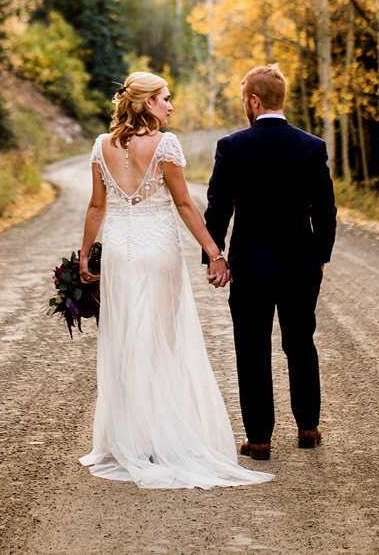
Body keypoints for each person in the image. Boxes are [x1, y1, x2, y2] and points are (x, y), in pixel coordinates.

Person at [76, 71, 272, 489]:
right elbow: (184, 204)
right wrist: (216, 253)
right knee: (161, 340)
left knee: (127, 339)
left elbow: (97, 205)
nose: (170, 105)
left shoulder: (102, 146)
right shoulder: (165, 144)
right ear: (147, 103)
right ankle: (162, 437)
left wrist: (85, 253)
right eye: (165, 98)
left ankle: (131, 438)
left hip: (120, 253)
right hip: (158, 249)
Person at [202, 64, 338, 461]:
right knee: (301, 343)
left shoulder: (232, 146)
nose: (245, 105)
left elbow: (217, 208)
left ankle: (259, 439)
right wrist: (320, 257)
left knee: (252, 348)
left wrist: (216, 257)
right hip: (300, 266)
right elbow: (325, 210)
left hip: (250, 266)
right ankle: (308, 428)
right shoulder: (312, 146)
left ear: (254, 101)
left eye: (245, 98)